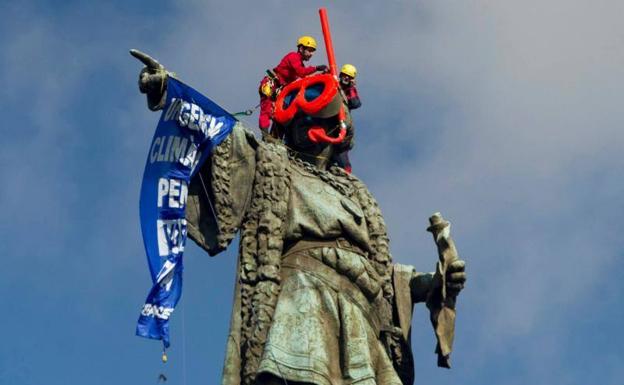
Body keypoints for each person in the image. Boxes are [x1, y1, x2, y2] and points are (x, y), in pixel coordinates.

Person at [134, 51, 466, 385]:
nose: (309, 129)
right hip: (304, 295)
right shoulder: (274, 165)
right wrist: (170, 93)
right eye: (300, 123)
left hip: (360, 318)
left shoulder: (355, 193)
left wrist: (433, 283)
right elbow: (225, 136)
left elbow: (385, 279)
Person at [259, 36, 329, 136]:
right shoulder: (293, 57)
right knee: (267, 109)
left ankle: (273, 138)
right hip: (272, 84)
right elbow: (301, 72)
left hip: (279, 89)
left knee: (279, 114)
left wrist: (322, 75)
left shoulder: (299, 63)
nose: (311, 54)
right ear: (301, 49)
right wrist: (317, 68)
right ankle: (266, 136)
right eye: (309, 50)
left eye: (313, 51)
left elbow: (304, 78)